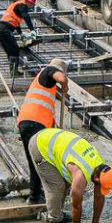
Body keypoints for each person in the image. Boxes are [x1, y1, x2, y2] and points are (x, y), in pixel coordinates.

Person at [32, 127, 112, 223]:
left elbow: (99, 196)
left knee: (66, 183)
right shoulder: (80, 175)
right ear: (97, 178)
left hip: (56, 142)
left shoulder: (100, 167)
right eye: (100, 185)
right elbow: (76, 206)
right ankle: (55, 221)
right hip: (40, 146)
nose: (100, 189)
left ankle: (58, 212)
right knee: (57, 187)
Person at [17, 58, 69, 205]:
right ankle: (35, 197)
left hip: (28, 123)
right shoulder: (48, 71)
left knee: (35, 161)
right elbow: (61, 78)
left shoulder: (45, 84)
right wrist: (65, 86)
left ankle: (36, 193)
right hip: (34, 123)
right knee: (39, 162)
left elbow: (46, 112)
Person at [0, 0, 37, 76]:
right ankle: (14, 73)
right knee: (15, 50)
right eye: (32, 4)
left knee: (10, 51)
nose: (32, 7)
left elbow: (16, 22)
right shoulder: (23, 5)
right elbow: (26, 16)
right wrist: (32, 30)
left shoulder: (18, 5)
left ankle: (14, 72)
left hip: (1, 28)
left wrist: (21, 34)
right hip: (5, 29)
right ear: (29, 2)